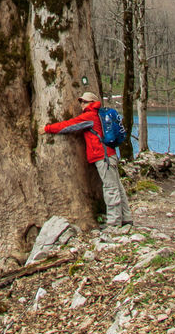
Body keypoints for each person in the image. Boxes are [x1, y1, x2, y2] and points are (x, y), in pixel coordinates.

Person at [44, 90, 133, 231]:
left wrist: (48, 128)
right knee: (117, 188)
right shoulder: (98, 115)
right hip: (109, 155)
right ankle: (126, 219)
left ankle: (114, 224)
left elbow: (69, 125)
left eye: (84, 101)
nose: (82, 104)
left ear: (92, 103)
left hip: (103, 157)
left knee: (111, 189)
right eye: (81, 101)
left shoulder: (90, 117)